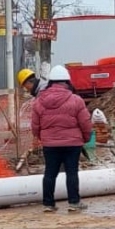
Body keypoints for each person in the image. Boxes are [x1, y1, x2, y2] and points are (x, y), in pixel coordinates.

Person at [31, 64, 93, 212]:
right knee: (72, 172)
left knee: (50, 173)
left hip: (50, 144)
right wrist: (85, 138)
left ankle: (48, 204)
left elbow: (35, 125)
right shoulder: (76, 100)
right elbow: (85, 123)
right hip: (72, 144)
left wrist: (43, 138)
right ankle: (74, 202)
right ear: (67, 82)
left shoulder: (39, 101)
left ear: (51, 82)